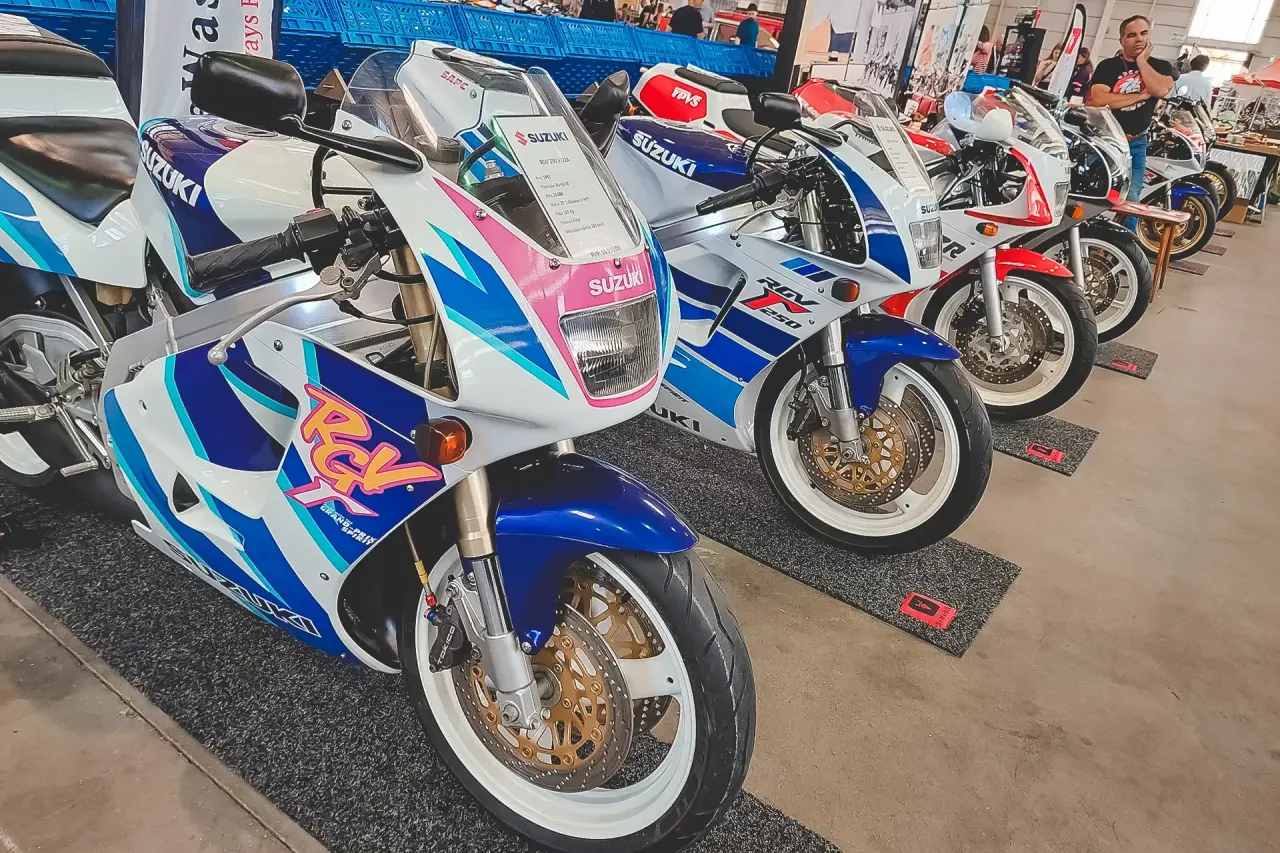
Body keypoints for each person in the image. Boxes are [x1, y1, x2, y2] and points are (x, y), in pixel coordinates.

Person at [1089, 15, 1175, 225]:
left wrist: (1142, 62)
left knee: (1132, 199)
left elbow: (1160, 89)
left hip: (1136, 143)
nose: (1139, 39)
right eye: (1132, 35)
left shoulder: (1160, 66)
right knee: (1092, 194)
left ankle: (1125, 241)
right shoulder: (1108, 66)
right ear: (1122, 40)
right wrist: (1140, 96)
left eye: (1144, 33)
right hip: (1105, 141)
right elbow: (1099, 99)